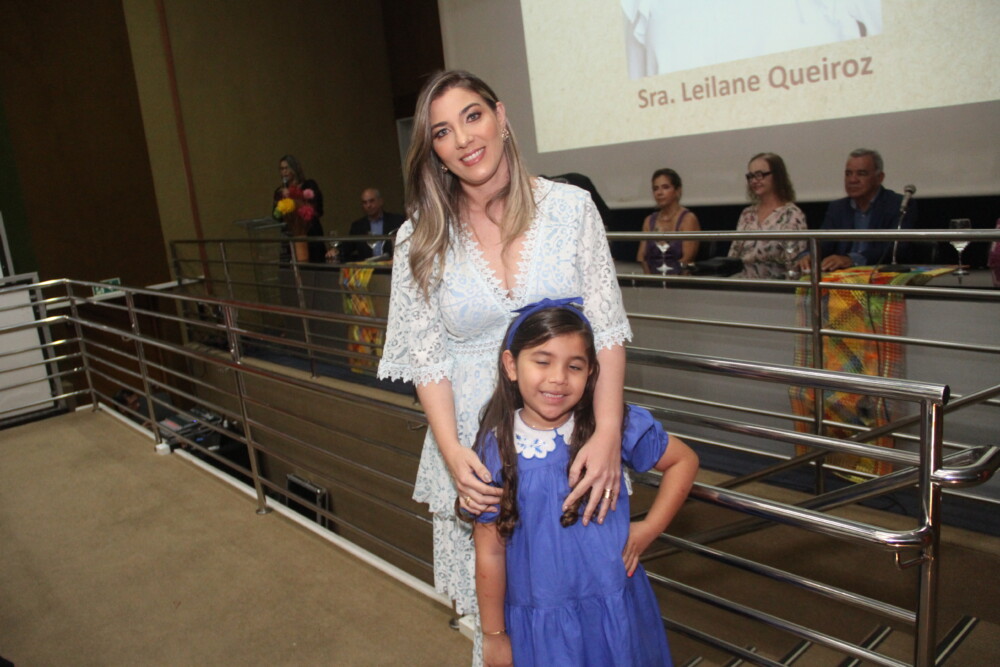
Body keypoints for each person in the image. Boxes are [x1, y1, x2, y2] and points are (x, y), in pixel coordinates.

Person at [377, 70, 631, 665]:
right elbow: (428, 359)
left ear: (501, 116)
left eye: (472, 116)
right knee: (499, 632)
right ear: (433, 151)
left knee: (591, 607)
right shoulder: (420, 238)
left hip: (572, 442)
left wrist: (609, 434)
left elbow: (608, 332)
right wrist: (452, 452)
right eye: (442, 131)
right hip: (476, 453)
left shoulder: (570, 209)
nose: (464, 138)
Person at [469, 300, 698, 666]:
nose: (558, 377)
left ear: (591, 372)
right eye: (542, 361)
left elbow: (683, 461)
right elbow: (490, 552)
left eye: (574, 366)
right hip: (542, 623)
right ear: (511, 365)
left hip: (614, 609)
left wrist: (648, 529)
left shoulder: (610, 430)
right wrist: (493, 634)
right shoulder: (494, 447)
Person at [798, 148, 917, 272]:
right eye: (848, 174)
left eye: (861, 174)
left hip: (882, 275)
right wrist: (809, 255)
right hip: (844, 278)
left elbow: (896, 248)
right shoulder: (838, 208)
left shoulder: (898, 205)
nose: (852, 180)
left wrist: (852, 259)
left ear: (879, 178)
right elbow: (824, 242)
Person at [728, 152, 807, 279]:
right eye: (750, 176)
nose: (754, 180)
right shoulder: (747, 214)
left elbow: (795, 265)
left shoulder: (791, 214)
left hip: (776, 286)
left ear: (777, 176)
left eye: (759, 175)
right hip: (742, 283)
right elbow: (733, 256)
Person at [636, 168, 701, 275]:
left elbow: (688, 259)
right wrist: (651, 281)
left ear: (677, 190)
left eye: (665, 187)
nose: (659, 193)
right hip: (653, 280)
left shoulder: (688, 219)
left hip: (679, 279)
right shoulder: (649, 221)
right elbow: (641, 257)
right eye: (656, 189)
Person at [272, 154, 325, 266]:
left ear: (294, 168)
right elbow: (276, 216)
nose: (284, 172)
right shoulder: (279, 192)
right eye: (281, 169)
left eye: (287, 168)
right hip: (289, 236)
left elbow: (318, 208)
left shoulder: (309, 185)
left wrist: (293, 196)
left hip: (310, 234)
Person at [331, 188, 406, 263]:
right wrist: (336, 250)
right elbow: (348, 247)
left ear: (380, 201)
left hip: (391, 266)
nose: (368, 205)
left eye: (371, 201)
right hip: (368, 267)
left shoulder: (396, 221)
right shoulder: (357, 226)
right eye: (365, 203)